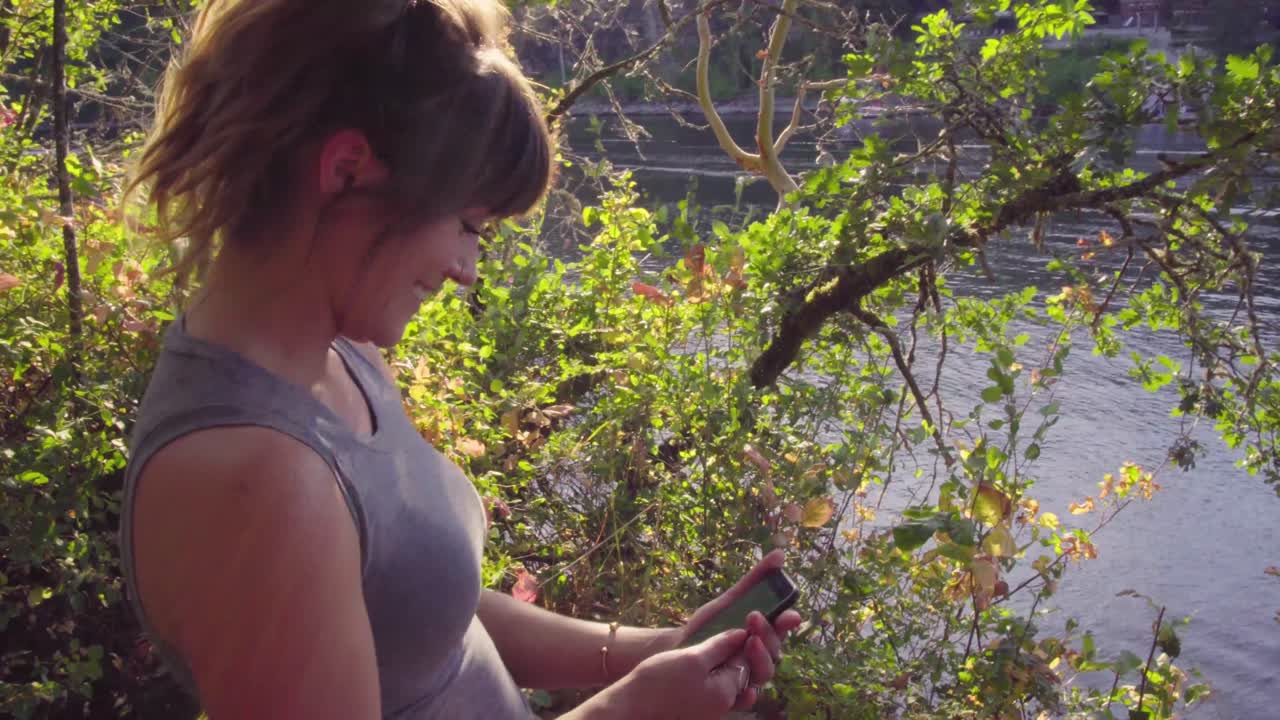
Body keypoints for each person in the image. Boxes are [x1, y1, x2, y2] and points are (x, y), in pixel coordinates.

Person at [118, 1, 803, 718]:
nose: (466, 269)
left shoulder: (339, 353)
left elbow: (425, 617)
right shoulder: (257, 489)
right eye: (467, 225)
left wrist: (647, 651)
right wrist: (631, 710)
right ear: (347, 171)